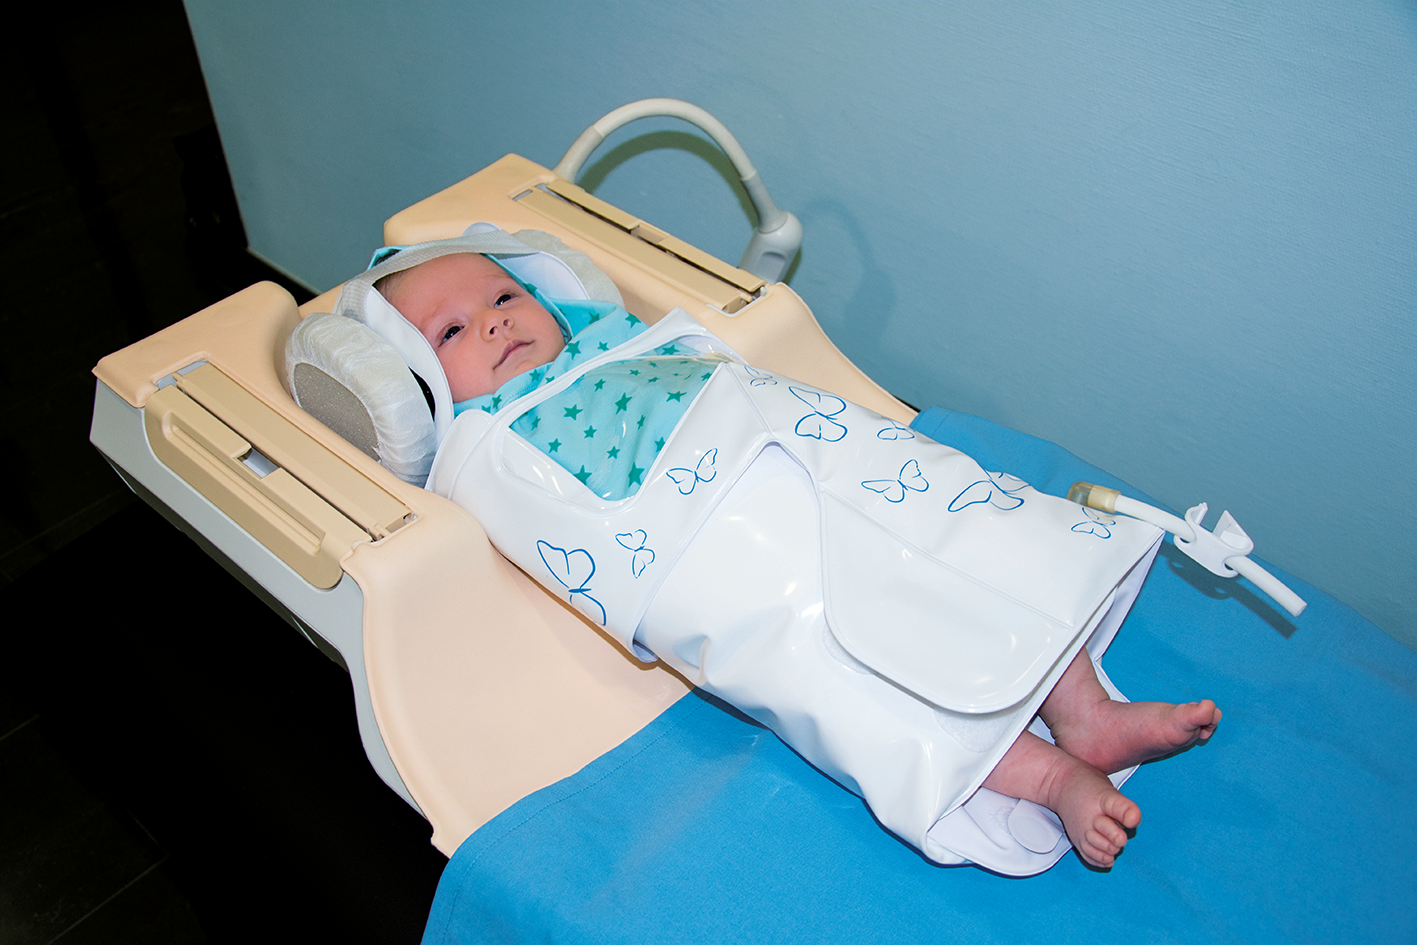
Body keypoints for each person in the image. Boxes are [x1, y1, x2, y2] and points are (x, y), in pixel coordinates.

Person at [379, 250, 1221, 870]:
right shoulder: (482, 447)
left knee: (956, 540)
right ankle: (1047, 780)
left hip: (807, 455)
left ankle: (1085, 711)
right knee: (846, 666)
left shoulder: (620, 341)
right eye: (451, 330)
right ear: (418, 387)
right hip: (713, 552)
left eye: (502, 294)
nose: (492, 320)